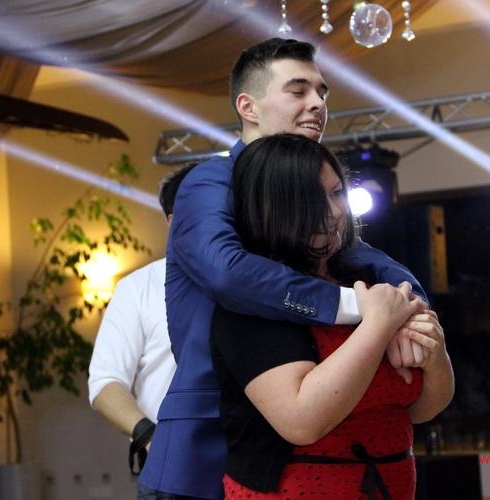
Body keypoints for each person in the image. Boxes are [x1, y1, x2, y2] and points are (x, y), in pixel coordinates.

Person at [140, 38, 428, 499]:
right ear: (248, 107)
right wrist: (364, 309)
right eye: (298, 90)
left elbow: (368, 260)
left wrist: (409, 313)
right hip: (210, 443)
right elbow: (226, 271)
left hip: (301, 450)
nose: (317, 103)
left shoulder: (310, 185)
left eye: (322, 92)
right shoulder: (210, 180)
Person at [211, 133, 454, 499]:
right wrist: (378, 326)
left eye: (337, 192)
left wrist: (435, 354)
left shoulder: (374, 282)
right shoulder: (252, 302)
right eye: (315, 198)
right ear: (273, 207)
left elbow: (422, 409)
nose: (337, 211)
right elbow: (302, 421)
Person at [87, 164, 195, 483]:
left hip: (242, 465)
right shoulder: (138, 288)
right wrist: (151, 437)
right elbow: (105, 382)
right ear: (173, 221)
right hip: (169, 467)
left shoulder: (245, 280)